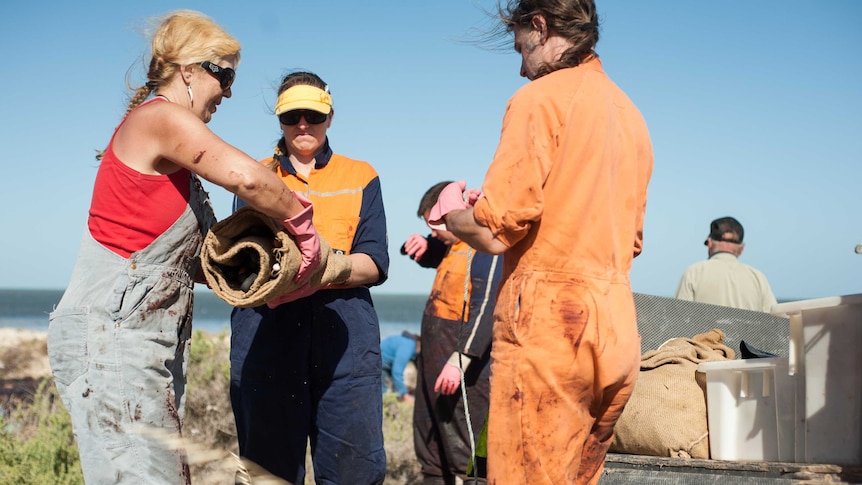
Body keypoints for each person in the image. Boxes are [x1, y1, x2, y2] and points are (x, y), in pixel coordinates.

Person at [46, 10, 322, 485]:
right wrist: (304, 227)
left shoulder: (174, 160)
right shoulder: (160, 118)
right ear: (188, 70)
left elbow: (203, 261)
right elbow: (250, 179)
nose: (230, 91)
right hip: (111, 341)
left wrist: (267, 280)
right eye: (226, 74)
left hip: (140, 343)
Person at [426, 1, 654, 483]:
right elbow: (631, 240)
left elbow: (494, 230)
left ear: (539, 26)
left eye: (519, 48)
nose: (521, 66)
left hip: (551, 324)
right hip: (617, 324)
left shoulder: (539, 99)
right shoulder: (630, 115)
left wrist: (454, 215)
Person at [229, 71, 389, 484]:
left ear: (330, 116)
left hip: (345, 340)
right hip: (266, 335)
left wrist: (326, 268)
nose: (303, 125)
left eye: (313, 115)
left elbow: (374, 263)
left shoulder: (361, 176)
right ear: (279, 119)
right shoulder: (252, 175)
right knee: (269, 473)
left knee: (354, 471)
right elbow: (239, 262)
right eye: (292, 115)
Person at [403, 181, 502, 485]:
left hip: (465, 361)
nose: (434, 231)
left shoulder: (484, 244)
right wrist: (424, 244)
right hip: (433, 354)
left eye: (436, 223)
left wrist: (463, 357)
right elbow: (438, 251)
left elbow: (487, 305)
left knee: (462, 440)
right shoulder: (449, 245)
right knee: (429, 435)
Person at [675, 216, 778, 312]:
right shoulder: (758, 278)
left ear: (710, 243)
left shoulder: (693, 273)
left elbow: (678, 317)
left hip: (708, 332)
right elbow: (776, 319)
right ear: (741, 248)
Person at [381, 331, 421, 402]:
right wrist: (405, 395)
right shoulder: (408, 346)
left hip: (386, 363)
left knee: (393, 391)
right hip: (380, 363)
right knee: (385, 393)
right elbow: (397, 372)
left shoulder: (411, 344)